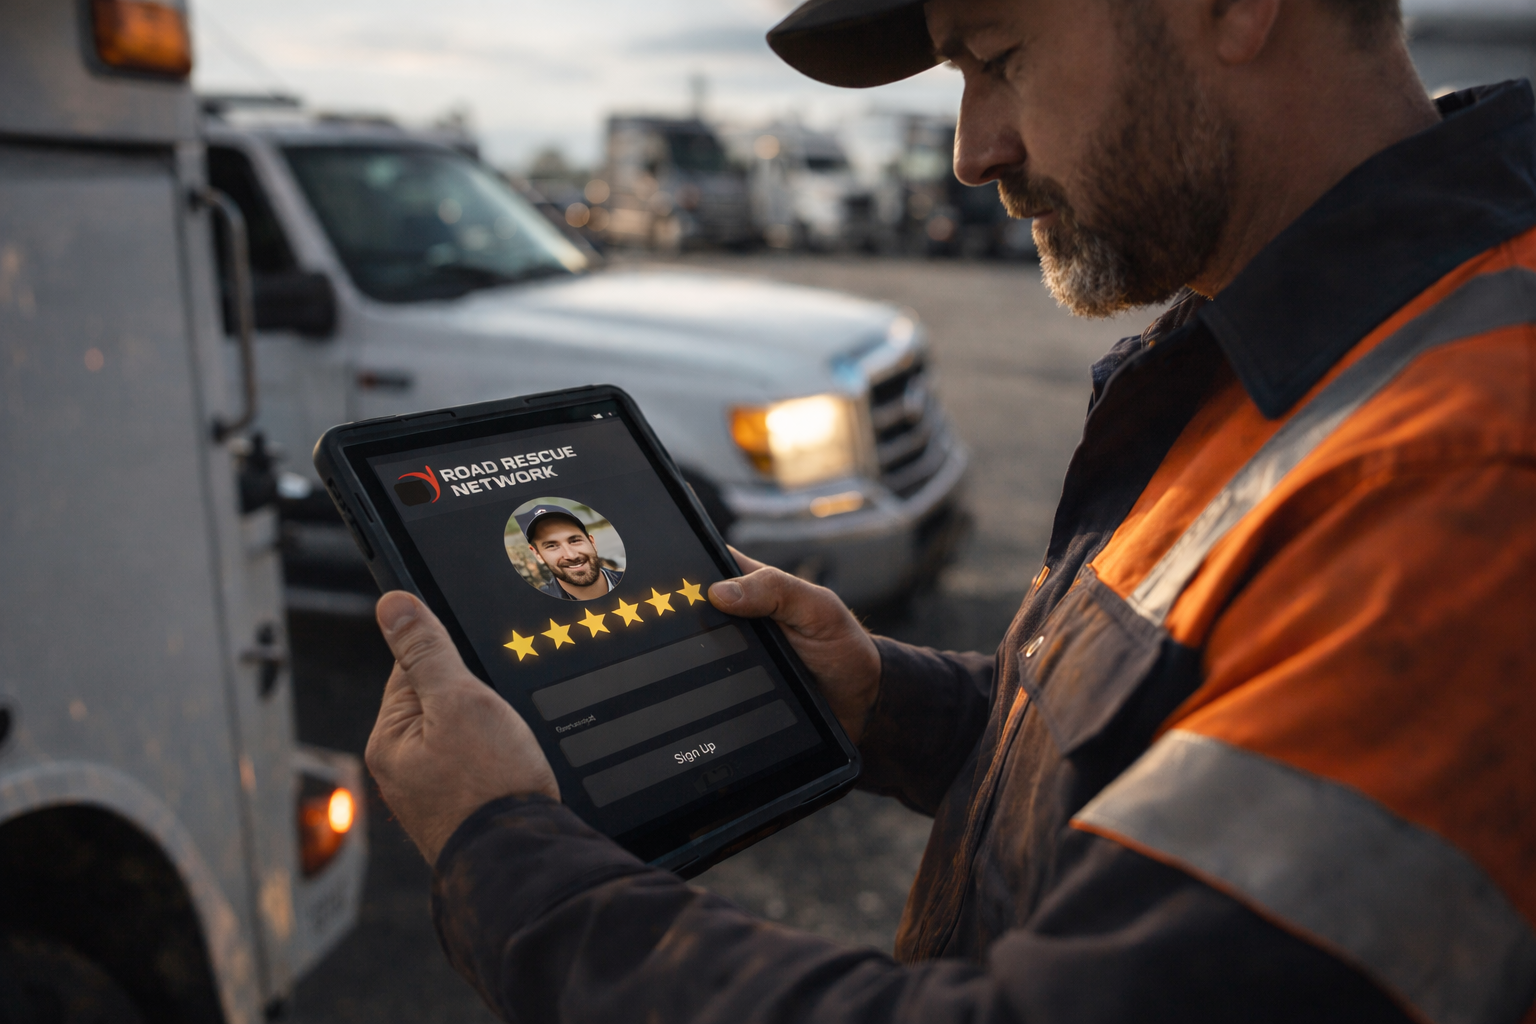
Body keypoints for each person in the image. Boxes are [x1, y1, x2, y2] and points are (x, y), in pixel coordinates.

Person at [364, 0, 1536, 1021]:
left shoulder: (1468, 469)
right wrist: (887, 700)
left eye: (999, 57)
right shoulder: (1295, 352)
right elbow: (1167, 755)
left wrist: (507, 856)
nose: (975, 152)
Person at [515, 505, 623, 601]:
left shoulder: (635, 582)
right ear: (537, 555)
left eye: (575, 541)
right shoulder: (538, 608)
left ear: (592, 542)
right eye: (551, 546)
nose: (571, 555)